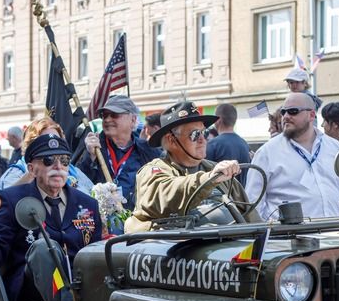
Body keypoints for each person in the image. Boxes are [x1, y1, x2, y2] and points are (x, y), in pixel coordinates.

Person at [0, 133, 102, 301]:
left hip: (82, 287)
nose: (58, 167)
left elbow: (96, 256)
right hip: (33, 289)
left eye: (65, 160)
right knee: (43, 248)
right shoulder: (12, 200)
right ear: (32, 169)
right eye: (49, 160)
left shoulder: (88, 204)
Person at [246, 92, 339, 221]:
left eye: (293, 111)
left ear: (311, 115)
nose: (285, 116)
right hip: (288, 240)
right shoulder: (266, 153)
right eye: (283, 112)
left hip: (334, 237)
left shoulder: (334, 147)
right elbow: (253, 205)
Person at [126, 101, 252, 232]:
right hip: (180, 249)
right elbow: (165, 195)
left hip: (230, 245)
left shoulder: (215, 170)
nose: (203, 139)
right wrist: (209, 179)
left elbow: (250, 215)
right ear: (171, 140)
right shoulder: (153, 170)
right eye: (195, 134)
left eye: (205, 132)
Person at [78, 94, 157, 210]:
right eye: (104, 115)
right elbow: (77, 184)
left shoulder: (149, 151)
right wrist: (90, 157)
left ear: (133, 119)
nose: (107, 119)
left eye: (114, 115)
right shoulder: (92, 146)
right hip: (100, 222)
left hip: (137, 223)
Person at [0, 117, 94, 196]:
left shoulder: (72, 170)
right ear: (30, 146)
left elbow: (93, 196)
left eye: (57, 141)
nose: (53, 147)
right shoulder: (16, 174)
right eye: (45, 143)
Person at [206, 103, 251, 184]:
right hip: (242, 195)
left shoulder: (212, 145)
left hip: (221, 196)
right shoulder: (245, 144)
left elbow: (205, 178)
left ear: (218, 120)